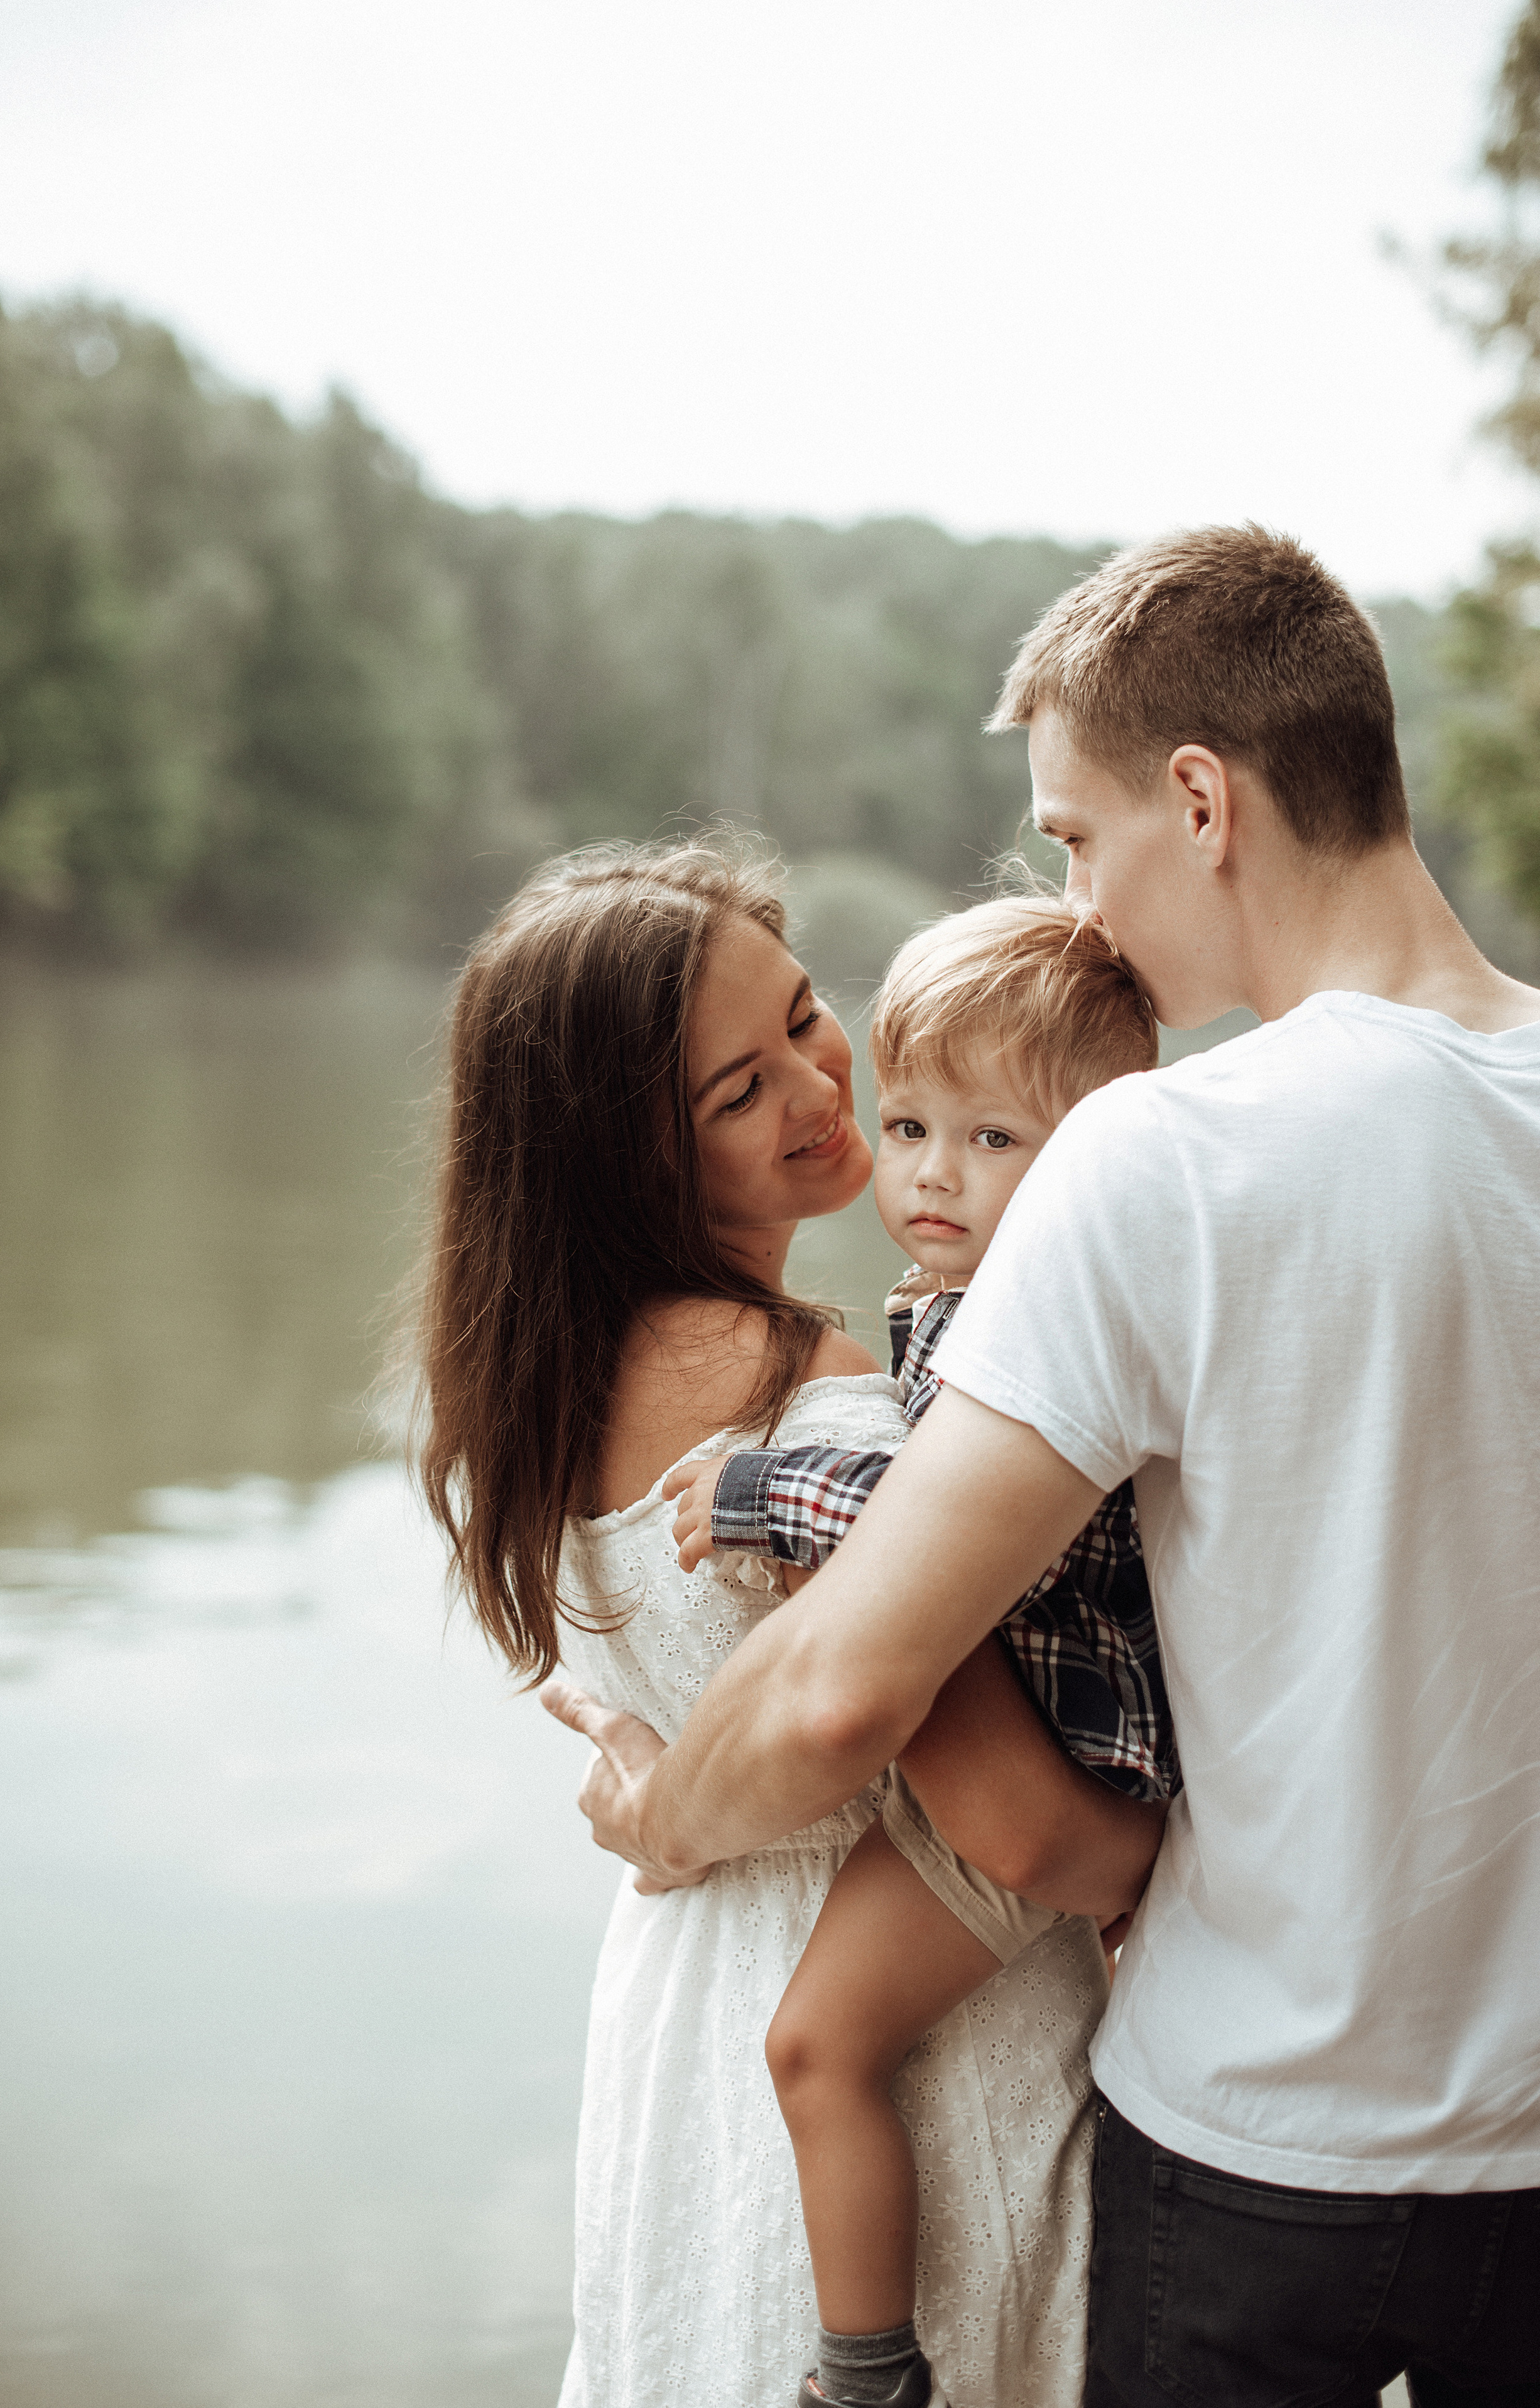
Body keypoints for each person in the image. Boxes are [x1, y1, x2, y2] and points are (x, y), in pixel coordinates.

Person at [545, 528, 1540, 2405]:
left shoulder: (1163, 1152)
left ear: (1201, 797)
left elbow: (852, 1678)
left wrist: (661, 1810)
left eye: (1076, 840)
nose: (1080, 909)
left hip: (1257, 2149)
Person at [416, 843, 1159, 2408]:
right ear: (627, 1156)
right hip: (927, 2061)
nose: (822, 1091)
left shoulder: (523, 1386)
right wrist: (1171, 1884)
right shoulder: (812, 1397)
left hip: (686, 2039)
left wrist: (666, 1815)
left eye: (807, 1015)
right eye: (735, 1094)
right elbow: (1009, 1823)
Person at [663, 896, 1175, 2408]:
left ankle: (865, 2371)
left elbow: (921, 1527)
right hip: (1066, 1742)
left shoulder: (1036, 1311)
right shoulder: (961, 1295)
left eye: (992, 1141)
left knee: (817, 2045)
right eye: (907, 1125)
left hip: (1064, 1763)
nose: (929, 1176)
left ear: (1095, 1153)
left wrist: (757, 1490)